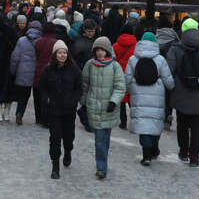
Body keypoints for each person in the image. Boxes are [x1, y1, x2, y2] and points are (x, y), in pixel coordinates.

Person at [165, 18, 199, 167]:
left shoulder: (175, 49)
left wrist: (174, 86)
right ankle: (194, 157)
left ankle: (183, 152)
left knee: (182, 124)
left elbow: (169, 70)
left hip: (180, 95)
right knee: (197, 127)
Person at [125, 32, 175, 166]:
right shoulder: (160, 59)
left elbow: (127, 80)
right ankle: (154, 147)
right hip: (157, 95)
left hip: (138, 95)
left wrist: (133, 91)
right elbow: (169, 82)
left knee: (143, 124)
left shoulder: (132, 59)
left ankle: (146, 155)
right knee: (155, 121)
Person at [81, 36, 126, 179]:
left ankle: (103, 160)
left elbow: (120, 87)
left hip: (109, 108)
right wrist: (83, 102)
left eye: (102, 50)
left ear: (107, 50)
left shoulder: (115, 66)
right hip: (94, 107)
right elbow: (84, 85)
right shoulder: (90, 64)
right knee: (99, 139)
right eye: (97, 50)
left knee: (105, 139)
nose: (100, 53)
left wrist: (113, 101)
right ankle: (101, 168)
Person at [38, 40, 82, 179]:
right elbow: (42, 87)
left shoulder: (74, 70)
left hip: (69, 110)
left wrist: (73, 100)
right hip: (54, 110)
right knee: (55, 138)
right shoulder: (48, 69)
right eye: (59, 52)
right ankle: (55, 166)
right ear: (55, 54)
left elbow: (79, 88)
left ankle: (68, 150)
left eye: (64, 52)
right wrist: (47, 99)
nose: (62, 55)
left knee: (68, 137)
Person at [10, 20, 42, 125]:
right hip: (37, 73)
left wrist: (13, 71)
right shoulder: (41, 41)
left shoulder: (21, 40)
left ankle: (19, 113)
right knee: (37, 97)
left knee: (23, 96)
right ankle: (39, 118)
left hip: (23, 72)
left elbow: (15, 58)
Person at [157, 23, 180, 130]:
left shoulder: (157, 42)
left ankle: (164, 116)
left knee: (162, 96)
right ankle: (168, 115)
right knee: (171, 95)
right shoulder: (175, 43)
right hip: (173, 73)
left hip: (160, 73)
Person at [113, 24, 137, 130]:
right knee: (132, 98)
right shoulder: (136, 45)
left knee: (121, 99)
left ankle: (123, 122)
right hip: (132, 74)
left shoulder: (115, 46)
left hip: (119, 74)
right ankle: (135, 122)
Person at [33, 22, 57, 127]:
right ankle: (46, 118)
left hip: (38, 70)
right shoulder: (56, 43)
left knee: (37, 94)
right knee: (49, 95)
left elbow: (36, 56)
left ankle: (38, 117)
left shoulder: (38, 42)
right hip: (51, 71)